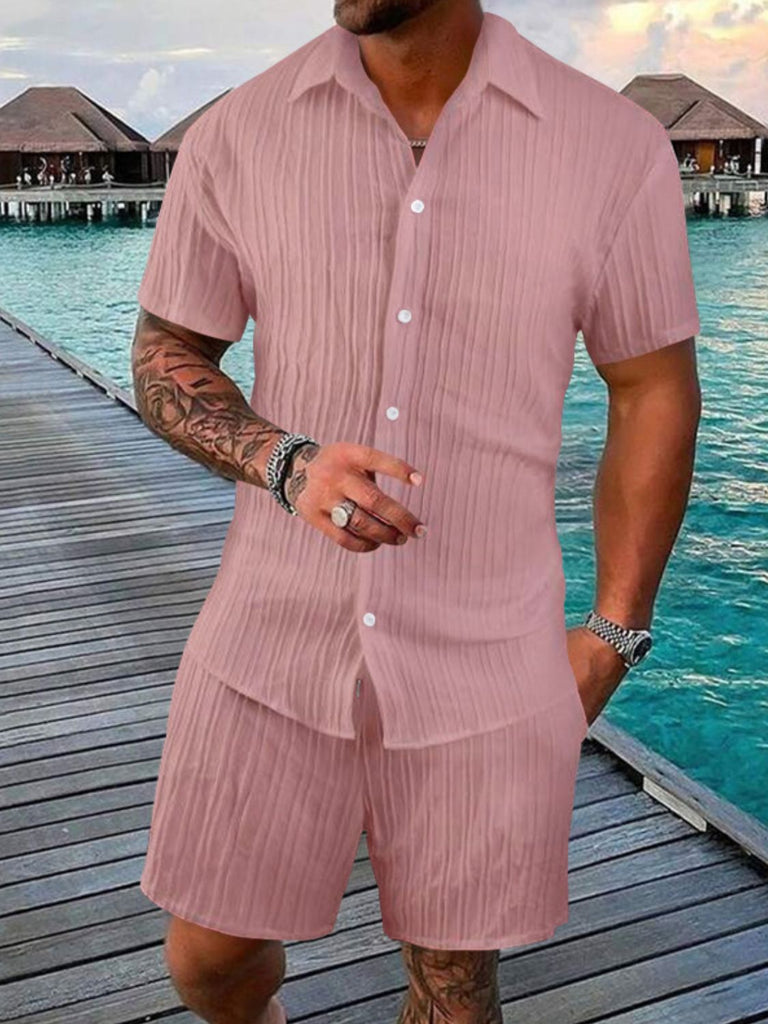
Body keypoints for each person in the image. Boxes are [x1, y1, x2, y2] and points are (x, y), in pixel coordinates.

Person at [132, 1, 702, 1021]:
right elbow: (166, 349)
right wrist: (284, 462)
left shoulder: (610, 146)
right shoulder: (239, 132)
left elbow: (651, 385)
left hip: (486, 656)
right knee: (208, 959)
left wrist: (616, 629)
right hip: (270, 637)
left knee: (454, 989)